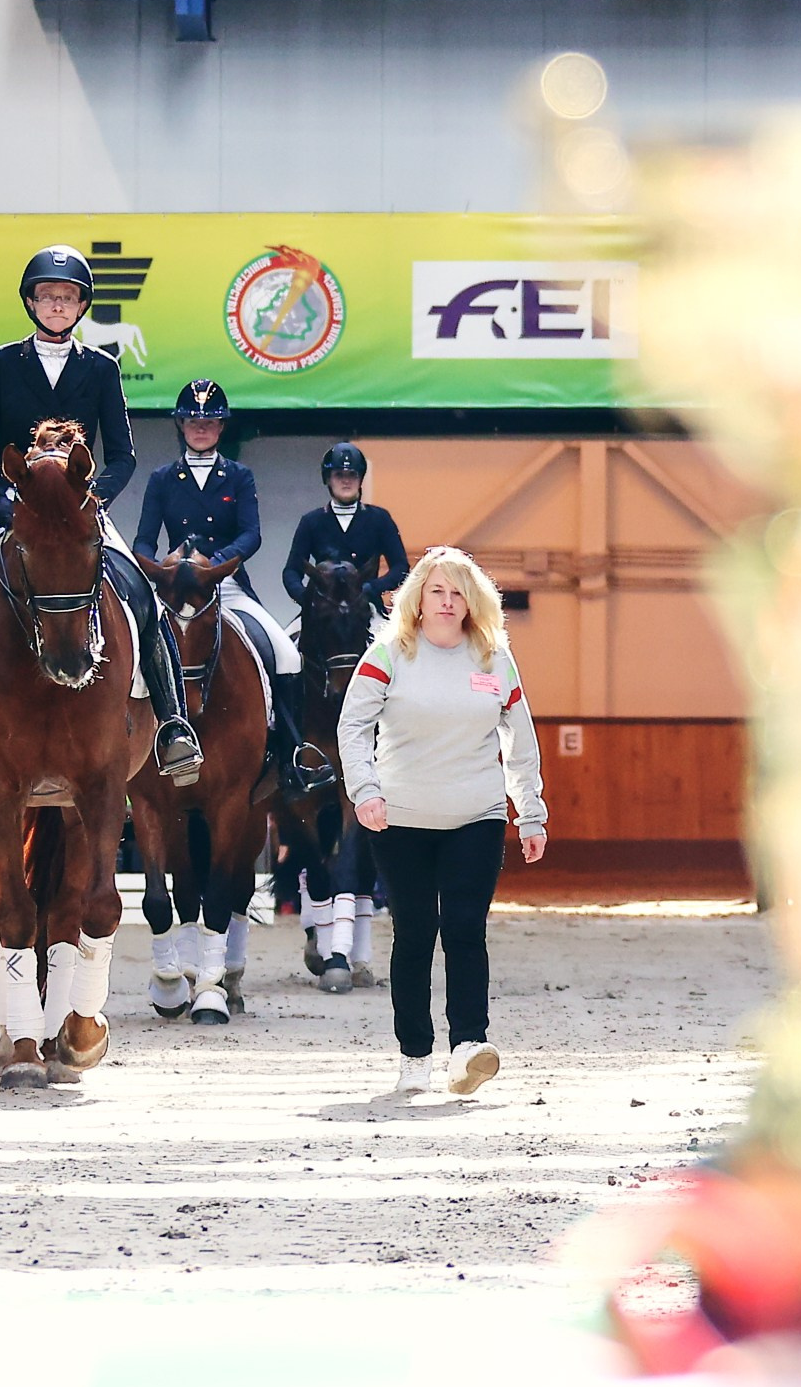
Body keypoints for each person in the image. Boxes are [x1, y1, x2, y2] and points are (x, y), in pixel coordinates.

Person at [0, 246, 203, 784]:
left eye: (66, 298)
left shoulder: (102, 368)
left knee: (144, 599)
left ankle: (172, 724)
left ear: (80, 306)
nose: (56, 306)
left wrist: (90, 503)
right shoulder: (1, 364)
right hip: (9, 508)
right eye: (47, 297)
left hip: (79, 513)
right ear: (31, 302)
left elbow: (123, 455)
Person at [337, 546, 547, 1097]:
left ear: (473, 601)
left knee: (464, 928)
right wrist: (365, 792)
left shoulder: (494, 659)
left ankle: (468, 1047)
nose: (448, 602)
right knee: (414, 934)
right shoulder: (387, 653)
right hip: (400, 819)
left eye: (458, 592)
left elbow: (520, 743)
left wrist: (530, 813)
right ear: (418, 600)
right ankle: (414, 1054)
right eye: (438, 591)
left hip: (476, 815)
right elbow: (353, 727)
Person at [132, 379, 334, 799]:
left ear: (221, 428)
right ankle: (122, 753)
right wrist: (157, 566)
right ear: (181, 426)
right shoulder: (163, 478)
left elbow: (252, 534)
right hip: (174, 586)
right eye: (193, 421)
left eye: (209, 421)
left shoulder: (238, 476)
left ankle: (293, 752)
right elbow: (144, 538)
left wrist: (215, 564)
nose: (200, 428)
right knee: (128, 651)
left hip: (223, 584)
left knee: (285, 651)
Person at [282, 441, 409, 616]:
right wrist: (306, 598)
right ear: (328, 478)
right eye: (339, 474)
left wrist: (373, 587)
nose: (346, 481)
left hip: (366, 607)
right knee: (287, 641)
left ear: (360, 478)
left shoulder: (380, 519)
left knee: (394, 642)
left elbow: (400, 566)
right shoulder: (311, 521)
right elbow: (291, 571)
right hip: (322, 609)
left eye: (352, 474)